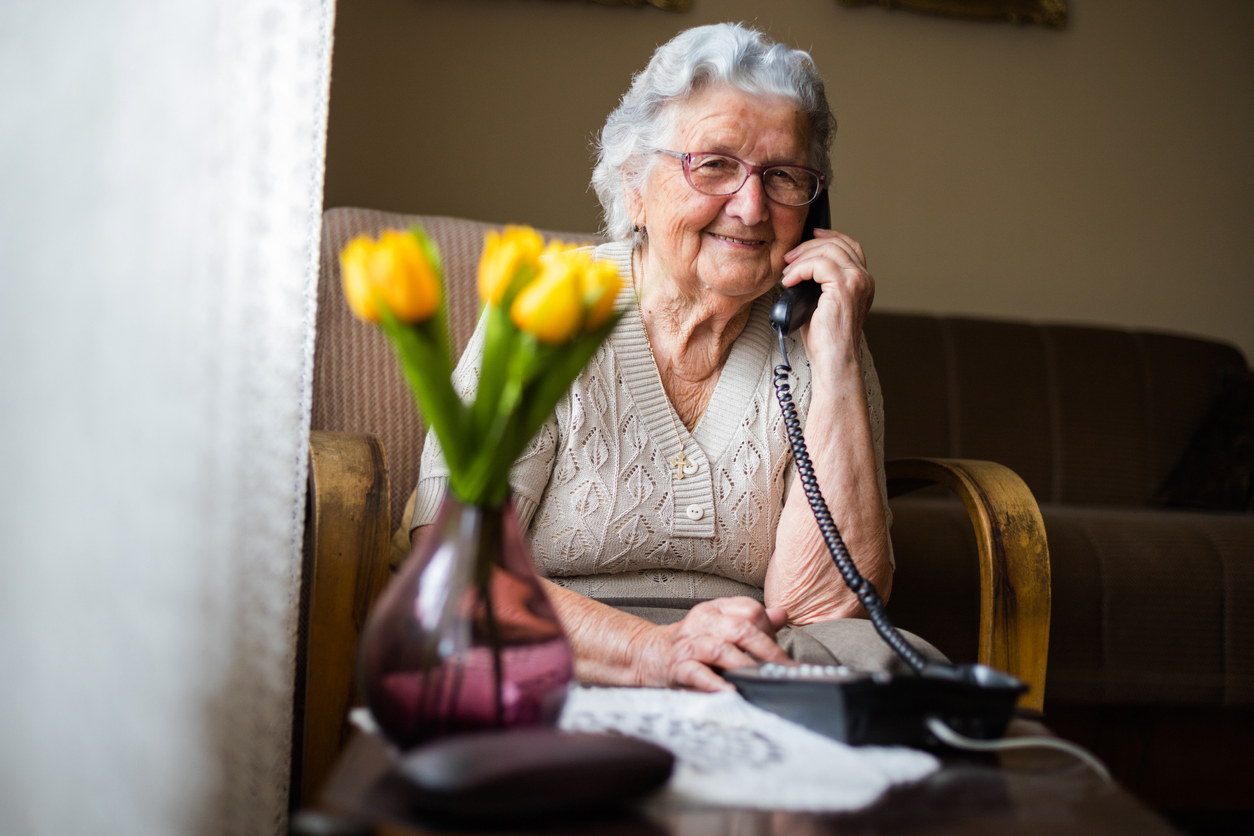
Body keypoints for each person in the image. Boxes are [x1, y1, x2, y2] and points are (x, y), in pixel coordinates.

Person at [411, 22, 943, 692]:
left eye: (784, 177)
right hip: (560, 649)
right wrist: (656, 650)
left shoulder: (819, 326)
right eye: (714, 164)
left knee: (898, 675)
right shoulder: (547, 307)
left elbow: (827, 610)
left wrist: (834, 362)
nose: (751, 208)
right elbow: (457, 569)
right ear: (634, 185)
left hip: (750, 663)